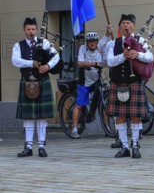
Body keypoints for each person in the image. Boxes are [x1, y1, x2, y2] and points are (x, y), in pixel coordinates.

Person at [107, 14, 154, 159]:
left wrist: (137, 54)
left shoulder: (140, 41)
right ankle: (124, 147)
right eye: (123, 23)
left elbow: (150, 58)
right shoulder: (113, 43)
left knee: (135, 117)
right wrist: (123, 56)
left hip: (134, 84)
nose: (126, 26)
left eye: (128, 23)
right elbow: (109, 61)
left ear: (133, 26)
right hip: (117, 84)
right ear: (120, 27)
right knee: (119, 117)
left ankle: (135, 146)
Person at [12, 17, 60, 157]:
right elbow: (15, 61)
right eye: (28, 29)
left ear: (37, 29)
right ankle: (28, 147)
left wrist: (48, 66)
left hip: (42, 81)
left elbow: (56, 56)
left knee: (42, 117)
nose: (31, 32)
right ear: (24, 30)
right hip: (27, 81)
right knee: (28, 117)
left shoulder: (44, 42)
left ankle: (41, 147)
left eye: (33, 29)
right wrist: (31, 63)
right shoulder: (18, 45)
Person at [71, 32, 106, 138]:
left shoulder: (100, 49)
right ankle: (74, 129)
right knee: (79, 105)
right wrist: (95, 64)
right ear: (87, 43)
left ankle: (108, 129)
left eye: (94, 41)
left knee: (103, 103)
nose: (92, 43)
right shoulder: (83, 48)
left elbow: (106, 40)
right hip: (85, 80)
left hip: (96, 79)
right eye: (90, 41)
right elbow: (80, 63)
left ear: (97, 42)